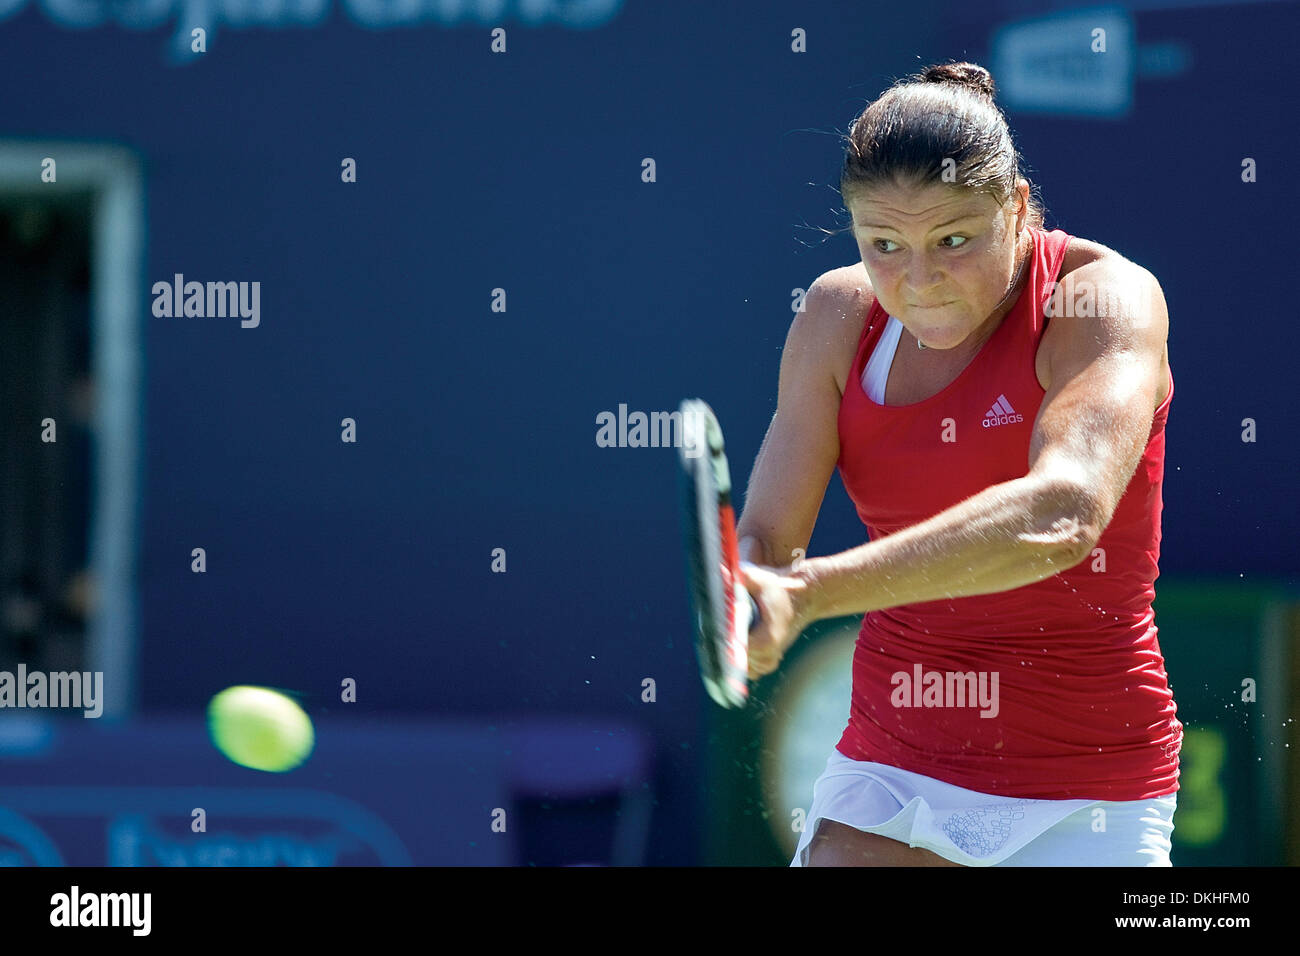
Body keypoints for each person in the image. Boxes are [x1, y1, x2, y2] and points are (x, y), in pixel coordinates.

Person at [735, 61, 1181, 866]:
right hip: (890, 768)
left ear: (1015, 210)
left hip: (1090, 790)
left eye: (952, 239)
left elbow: (1062, 515)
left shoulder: (1100, 301)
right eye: (884, 245)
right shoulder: (836, 316)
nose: (920, 280)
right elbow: (766, 540)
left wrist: (805, 595)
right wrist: (752, 592)